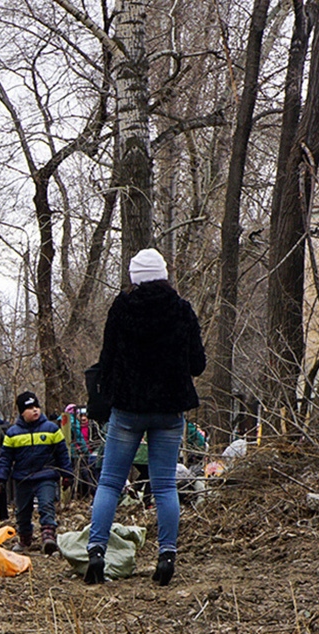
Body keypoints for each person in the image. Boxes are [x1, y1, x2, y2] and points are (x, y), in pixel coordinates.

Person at [84, 249, 207, 586]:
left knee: (110, 482)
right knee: (165, 485)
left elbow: (106, 361)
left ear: (134, 277)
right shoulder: (182, 310)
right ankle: (166, 557)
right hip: (169, 410)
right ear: (164, 274)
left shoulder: (122, 308)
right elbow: (197, 364)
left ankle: (95, 552)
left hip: (127, 409)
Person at [0, 391, 70, 553]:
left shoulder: (51, 429)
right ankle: (25, 539)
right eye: (30, 408)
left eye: (37, 406)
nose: (35, 410)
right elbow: (5, 458)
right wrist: (1, 478)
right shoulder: (12, 433)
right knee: (22, 511)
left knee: (46, 505)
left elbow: (62, 453)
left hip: (46, 475)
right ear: (22, 412)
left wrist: (66, 474)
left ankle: (48, 537)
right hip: (23, 478)